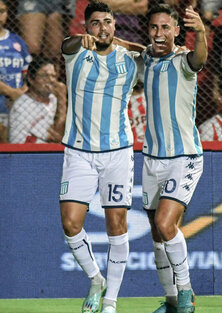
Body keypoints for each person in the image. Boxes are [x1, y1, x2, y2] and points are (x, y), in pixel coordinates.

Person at [59, 2, 144, 313]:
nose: (102, 28)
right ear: (86, 27)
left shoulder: (130, 59)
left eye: (107, 22)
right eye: (95, 23)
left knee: (116, 224)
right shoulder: (76, 52)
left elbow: (157, 53)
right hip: (79, 151)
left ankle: (110, 302)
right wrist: (78, 38)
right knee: (70, 223)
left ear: (115, 26)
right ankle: (96, 279)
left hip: (118, 153)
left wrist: (126, 43)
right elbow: (65, 44)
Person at [141, 4, 207, 313]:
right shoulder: (145, 58)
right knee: (157, 234)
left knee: (166, 224)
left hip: (184, 156)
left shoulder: (183, 62)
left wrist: (202, 32)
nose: (159, 33)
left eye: (166, 27)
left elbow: (200, 58)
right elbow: (135, 50)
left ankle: (186, 293)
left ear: (178, 31)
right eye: (154, 27)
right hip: (151, 159)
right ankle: (169, 301)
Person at [8, 56, 66, 143]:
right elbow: (17, 141)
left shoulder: (54, 99)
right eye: (44, 76)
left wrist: (62, 99)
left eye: (53, 76)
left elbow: (60, 134)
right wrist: (47, 137)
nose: (51, 80)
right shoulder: (21, 106)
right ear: (31, 79)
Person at [0, 0, 31, 142]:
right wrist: (12, 93)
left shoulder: (16, 40)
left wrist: (21, 94)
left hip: (16, 104)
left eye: (2, 11)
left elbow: (28, 73)